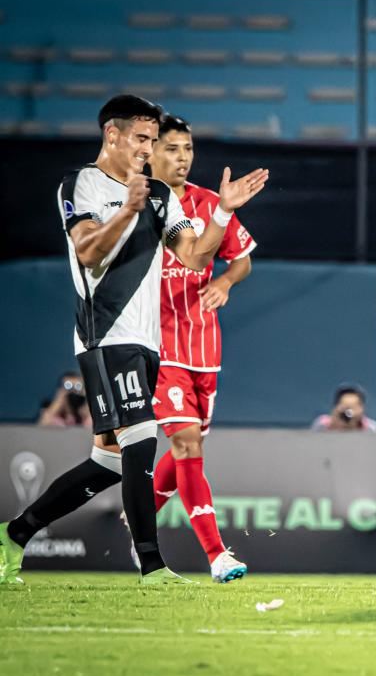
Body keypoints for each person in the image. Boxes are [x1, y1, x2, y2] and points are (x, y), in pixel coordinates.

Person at [0, 94, 268, 585]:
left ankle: (15, 533)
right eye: (142, 139)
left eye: (153, 140)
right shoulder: (82, 183)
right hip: (105, 333)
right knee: (144, 440)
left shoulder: (161, 196)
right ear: (113, 135)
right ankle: (152, 565)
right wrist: (127, 210)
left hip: (149, 342)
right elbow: (86, 252)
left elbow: (192, 256)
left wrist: (223, 215)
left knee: (108, 460)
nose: (148, 149)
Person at [148, 114, 256, 584]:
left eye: (188, 148)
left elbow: (242, 260)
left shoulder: (208, 202)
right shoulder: (136, 204)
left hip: (205, 348)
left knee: (188, 449)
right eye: (172, 148)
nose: (183, 157)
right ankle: (217, 555)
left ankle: (139, 519)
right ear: (149, 151)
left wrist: (228, 282)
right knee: (186, 442)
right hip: (158, 345)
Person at [311, 384, 376, 432]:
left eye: (353, 407)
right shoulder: (323, 424)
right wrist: (333, 425)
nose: (348, 412)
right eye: (345, 407)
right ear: (336, 407)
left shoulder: (370, 428)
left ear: (362, 409)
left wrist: (354, 426)